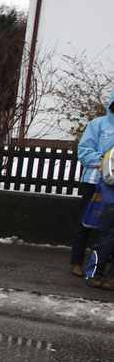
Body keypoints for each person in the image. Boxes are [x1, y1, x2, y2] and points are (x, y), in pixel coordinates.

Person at [71, 89, 114, 277]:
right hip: (94, 181)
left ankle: (102, 264)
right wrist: (108, 160)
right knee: (86, 222)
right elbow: (84, 153)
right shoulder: (98, 125)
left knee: (109, 227)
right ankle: (76, 262)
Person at [85, 148, 114, 289]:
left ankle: (112, 277)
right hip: (111, 207)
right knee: (104, 243)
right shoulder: (112, 154)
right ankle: (94, 274)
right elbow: (108, 177)